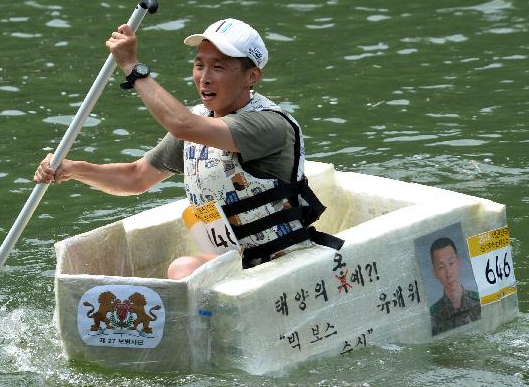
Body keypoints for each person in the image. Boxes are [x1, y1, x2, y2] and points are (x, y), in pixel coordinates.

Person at [34, 18, 342, 279]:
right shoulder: (198, 123)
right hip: (232, 261)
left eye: (218, 67)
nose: (204, 78)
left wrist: (132, 67)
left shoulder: (268, 126)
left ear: (252, 76)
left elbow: (182, 124)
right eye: (199, 65)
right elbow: (136, 178)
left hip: (284, 263)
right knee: (181, 270)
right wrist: (73, 169)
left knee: (182, 269)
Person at [429, 237, 481, 335]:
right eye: (441, 267)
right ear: (435, 272)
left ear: (458, 262)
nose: (449, 273)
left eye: (451, 263)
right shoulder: (431, 316)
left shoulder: (481, 301)